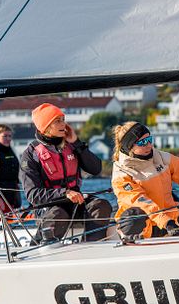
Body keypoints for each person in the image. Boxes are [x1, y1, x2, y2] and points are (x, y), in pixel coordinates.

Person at [19, 103, 112, 243]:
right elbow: (33, 195)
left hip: (75, 202)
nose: (64, 124)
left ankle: (92, 246)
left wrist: (77, 143)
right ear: (46, 127)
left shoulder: (72, 145)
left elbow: (96, 169)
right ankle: (40, 248)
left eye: (63, 119)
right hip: (49, 208)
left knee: (101, 206)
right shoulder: (31, 154)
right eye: (57, 121)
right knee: (58, 215)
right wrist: (64, 193)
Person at [112, 121, 179, 240]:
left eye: (149, 140)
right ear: (129, 147)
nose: (148, 145)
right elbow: (142, 202)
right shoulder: (121, 174)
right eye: (142, 142)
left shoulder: (162, 158)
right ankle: (131, 237)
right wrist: (167, 223)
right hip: (145, 223)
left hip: (168, 217)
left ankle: (177, 235)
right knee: (133, 219)